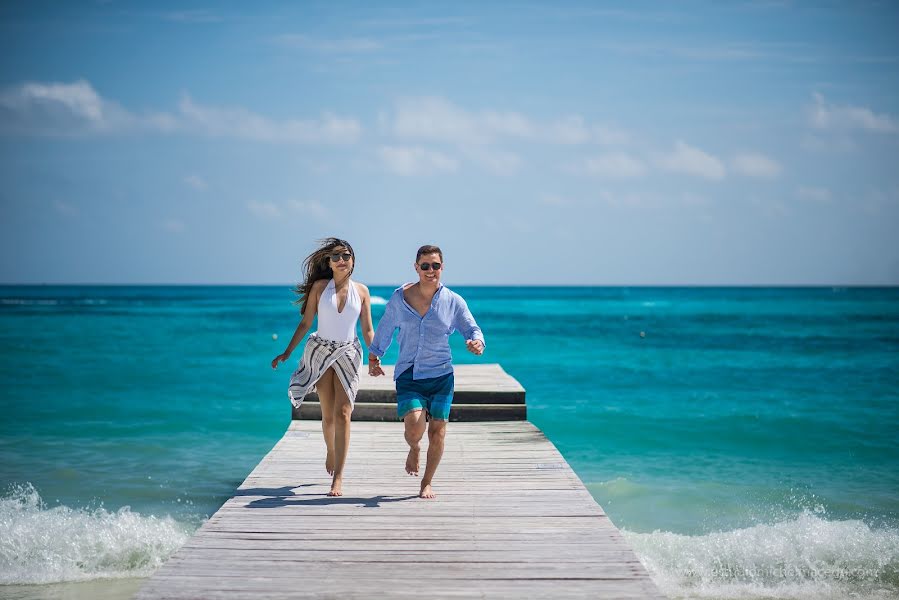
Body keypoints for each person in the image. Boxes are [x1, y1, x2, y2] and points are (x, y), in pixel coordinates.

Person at [368, 244, 485, 499]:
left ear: (442, 268)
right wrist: (375, 356)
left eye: (435, 266)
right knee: (413, 428)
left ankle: (426, 482)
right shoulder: (400, 298)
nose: (430, 271)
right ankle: (414, 448)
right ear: (416, 267)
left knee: (438, 432)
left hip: (442, 375)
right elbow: (386, 326)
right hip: (410, 374)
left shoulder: (453, 301)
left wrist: (477, 343)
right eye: (425, 266)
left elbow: (472, 329)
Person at [271, 238, 376, 497]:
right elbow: (306, 323)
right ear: (328, 263)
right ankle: (330, 449)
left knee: (343, 413)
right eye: (337, 256)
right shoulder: (319, 288)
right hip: (320, 350)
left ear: (353, 261)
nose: (342, 260)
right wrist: (287, 352)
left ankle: (338, 478)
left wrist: (375, 357)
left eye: (347, 256)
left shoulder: (362, 291)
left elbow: (367, 329)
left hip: (348, 352)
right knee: (328, 415)